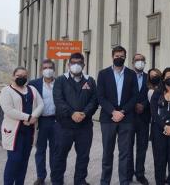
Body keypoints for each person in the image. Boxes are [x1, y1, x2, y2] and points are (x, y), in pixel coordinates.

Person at [51, 52, 98, 185]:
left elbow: (94, 100)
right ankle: (57, 181)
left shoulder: (90, 80)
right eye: (73, 63)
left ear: (84, 64)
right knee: (59, 156)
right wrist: (72, 113)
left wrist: (84, 113)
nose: (76, 65)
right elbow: (58, 100)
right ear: (68, 65)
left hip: (84, 127)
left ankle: (80, 181)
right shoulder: (60, 80)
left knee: (83, 156)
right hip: (64, 126)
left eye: (79, 63)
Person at [96, 46, 139, 185]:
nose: (119, 58)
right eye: (116, 55)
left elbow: (135, 96)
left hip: (126, 118)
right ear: (112, 56)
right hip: (108, 118)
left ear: (125, 57)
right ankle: (105, 182)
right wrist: (113, 111)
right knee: (107, 153)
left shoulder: (131, 74)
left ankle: (124, 182)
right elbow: (100, 96)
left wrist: (123, 112)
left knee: (125, 154)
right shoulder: (103, 74)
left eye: (122, 56)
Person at [0, 66, 44, 185]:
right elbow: (8, 110)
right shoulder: (6, 91)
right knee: (14, 160)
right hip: (14, 132)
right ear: (13, 76)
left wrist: (33, 117)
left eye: (24, 76)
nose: (22, 78)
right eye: (19, 76)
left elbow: (41, 104)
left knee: (24, 161)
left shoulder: (32, 89)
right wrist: (28, 117)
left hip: (28, 132)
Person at [29, 59, 57, 185]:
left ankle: (55, 176)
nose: (48, 69)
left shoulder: (60, 83)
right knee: (40, 150)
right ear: (41, 70)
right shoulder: (34, 84)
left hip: (57, 121)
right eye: (45, 67)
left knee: (55, 151)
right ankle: (41, 177)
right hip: (41, 122)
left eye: (50, 67)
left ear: (54, 69)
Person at [127, 53, 150, 184]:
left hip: (144, 117)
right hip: (129, 117)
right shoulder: (126, 76)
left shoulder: (149, 78)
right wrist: (134, 105)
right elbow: (124, 94)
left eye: (142, 60)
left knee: (142, 147)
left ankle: (140, 173)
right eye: (137, 60)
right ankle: (128, 173)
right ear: (132, 62)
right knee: (128, 147)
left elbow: (153, 94)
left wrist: (144, 105)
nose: (140, 62)